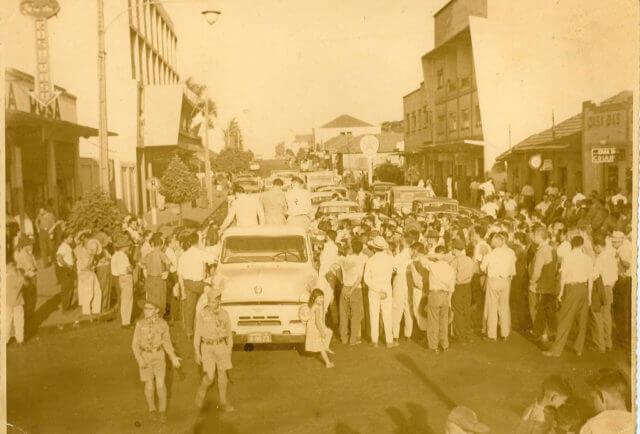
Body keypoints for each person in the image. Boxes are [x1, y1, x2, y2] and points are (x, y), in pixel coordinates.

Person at [543, 235, 593, 357]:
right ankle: (578, 348)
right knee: (582, 320)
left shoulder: (568, 257)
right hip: (584, 288)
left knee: (564, 319)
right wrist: (589, 296)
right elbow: (590, 278)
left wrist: (560, 293)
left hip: (572, 288)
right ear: (582, 245)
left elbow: (563, 277)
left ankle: (556, 350)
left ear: (572, 244)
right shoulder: (587, 259)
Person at [194, 285, 234, 412]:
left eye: (214, 301)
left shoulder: (225, 314)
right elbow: (197, 334)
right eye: (209, 301)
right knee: (210, 376)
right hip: (207, 347)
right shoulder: (202, 314)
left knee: (223, 375)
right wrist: (196, 351)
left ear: (219, 301)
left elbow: (229, 335)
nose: (211, 304)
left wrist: (229, 350)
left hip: (221, 346)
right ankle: (201, 391)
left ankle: (223, 401)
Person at [178, 232, 216, 340]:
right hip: (199, 284)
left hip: (188, 284)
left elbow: (180, 274)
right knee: (208, 303)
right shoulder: (201, 253)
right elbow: (214, 259)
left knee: (189, 308)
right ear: (198, 241)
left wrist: (183, 291)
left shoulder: (183, 255)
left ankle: (189, 331)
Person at [419, 245, 456, 352]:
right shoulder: (450, 268)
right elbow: (452, 287)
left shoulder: (433, 265)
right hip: (445, 295)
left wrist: (434, 255)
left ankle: (433, 346)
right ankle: (445, 345)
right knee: (444, 322)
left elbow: (422, 259)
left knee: (433, 321)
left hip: (434, 294)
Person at [481, 232, 516, 341]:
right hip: (506, 281)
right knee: (504, 307)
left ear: (495, 242)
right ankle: (505, 333)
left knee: (492, 307)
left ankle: (492, 335)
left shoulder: (490, 254)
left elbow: (482, 267)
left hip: (493, 280)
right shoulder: (510, 253)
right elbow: (512, 269)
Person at [363, 236, 397, 348]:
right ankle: (389, 341)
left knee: (374, 314)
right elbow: (395, 269)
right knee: (387, 315)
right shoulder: (390, 259)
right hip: (387, 288)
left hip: (374, 289)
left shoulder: (370, 260)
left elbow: (366, 279)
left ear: (373, 248)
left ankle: (375, 340)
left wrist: (377, 289)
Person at [579, 369, 633, 434]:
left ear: (602, 396)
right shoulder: (636, 421)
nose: (593, 404)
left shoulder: (591, 426)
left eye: (593, 398)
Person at [528, 227, 558, 343]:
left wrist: (532, 281)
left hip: (540, 285)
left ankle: (539, 333)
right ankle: (548, 333)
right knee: (548, 310)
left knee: (537, 309)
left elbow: (537, 270)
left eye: (535, 236)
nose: (533, 238)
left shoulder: (541, 251)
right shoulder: (552, 249)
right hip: (550, 284)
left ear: (540, 237)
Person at [336, 238, 367, 346]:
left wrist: (341, 281)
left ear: (352, 248)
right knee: (355, 316)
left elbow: (335, 270)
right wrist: (352, 289)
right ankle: (353, 340)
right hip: (356, 289)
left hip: (345, 287)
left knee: (343, 315)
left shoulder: (343, 259)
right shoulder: (361, 260)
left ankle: (343, 338)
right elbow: (359, 278)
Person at [590, 236, 617, 353]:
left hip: (600, 288)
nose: (594, 250)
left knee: (596, 315)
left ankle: (599, 345)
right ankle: (608, 342)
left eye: (594, 248)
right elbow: (615, 277)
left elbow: (594, 275)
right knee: (607, 316)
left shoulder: (600, 258)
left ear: (598, 246)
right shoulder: (612, 257)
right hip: (609, 287)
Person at [450, 238, 474, 343]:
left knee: (458, 311)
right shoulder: (469, 260)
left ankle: (460, 336)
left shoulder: (455, 261)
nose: (452, 251)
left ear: (456, 249)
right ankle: (468, 335)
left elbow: (451, 277)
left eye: (453, 249)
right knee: (467, 311)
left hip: (458, 287)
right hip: (468, 287)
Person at [391, 232, 414, 343]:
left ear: (403, 241)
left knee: (397, 306)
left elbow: (393, 268)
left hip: (400, 278)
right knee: (408, 306)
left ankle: (395, 334)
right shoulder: (412, 255)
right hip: (410, 280)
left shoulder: (399, 256)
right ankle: (408, 334)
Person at [140, 233, 172, 313]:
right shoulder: (161, 254)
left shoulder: (149, 254)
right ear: (161, 245)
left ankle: (150, 316)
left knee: (151, 300)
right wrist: (167, 271)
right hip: (159, 280)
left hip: (150, 279)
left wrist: (145, 269)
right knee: (160, 299)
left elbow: (140, 263)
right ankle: (159, 317)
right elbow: (168, 263)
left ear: (152, 244)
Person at [75, 230, 102, 321]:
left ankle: (96, 310)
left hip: (90, 273)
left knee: (97, 291)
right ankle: (86, 312)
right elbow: (77, 240)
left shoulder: (91, 253)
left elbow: (94, 257)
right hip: (84, 273)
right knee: (88, 292)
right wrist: (83, 232)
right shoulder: (81, 249)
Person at [305, 288, 335, 368]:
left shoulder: (313, 305)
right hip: (315, 328)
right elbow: (317, 322)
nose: (322, 299)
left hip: (313, 326)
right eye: (320, 298)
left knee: (329, 332)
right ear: (314, 298)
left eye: (322, 297)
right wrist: (321, 331)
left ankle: (326, 346)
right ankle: (327, 363)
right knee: (321, 346)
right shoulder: (317, 308)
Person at [111, 233, 134, 328]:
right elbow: (128, 268)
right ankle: (126, 322)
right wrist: (132, 267)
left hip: (120, 277)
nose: (129, 247)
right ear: (124, 246)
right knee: (128, 300)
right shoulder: (123, 256)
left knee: (124, 299)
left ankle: (124, 320)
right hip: (126, 276)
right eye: (128, 246)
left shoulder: (115, 256)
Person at [318, 230, 339, 314]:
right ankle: (328, 311)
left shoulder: (326, 245)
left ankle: (321, 310)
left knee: (321, 289)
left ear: (328, 237)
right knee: (330, 292)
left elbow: (322, 259)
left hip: (324, 269)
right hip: (332, 270)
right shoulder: (336, 247)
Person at [6, 260, 26, 345]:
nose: (13, 267)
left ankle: (19, 339)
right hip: (9, 302)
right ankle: (7, 339)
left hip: (15, 301)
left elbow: (24, 283)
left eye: (14, 265)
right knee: (8, 321)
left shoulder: (17, 274)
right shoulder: (7, 275)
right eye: (11, 266)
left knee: (17, 320)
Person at [56, 232, 76, 313]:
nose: (72, 239)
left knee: (70, 288)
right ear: (65, 239)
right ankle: (65, 308)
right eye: (70, 237)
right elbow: (59, 258)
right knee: (66, 289)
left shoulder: (68, 246)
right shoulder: (62, 247)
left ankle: (68, 306)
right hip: (65, 270)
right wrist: (67, 265)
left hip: (70, 269)